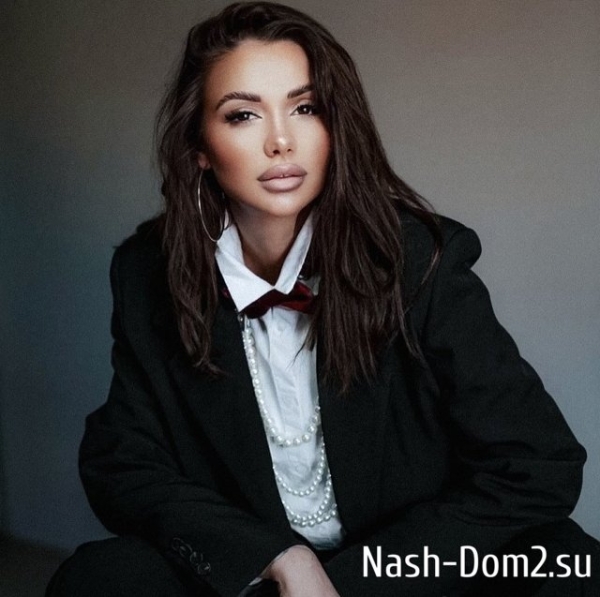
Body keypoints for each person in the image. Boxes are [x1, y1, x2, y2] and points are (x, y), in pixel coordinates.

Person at [47, 2, 599, 596]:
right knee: (102, 578)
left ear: (336, 127)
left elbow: (538, 463)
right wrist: (276, 558)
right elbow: (122, 464)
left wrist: (350, 583)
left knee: (570, 563)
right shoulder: (148, 272)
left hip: (408, 567)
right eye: (242, 115)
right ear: (200, 145)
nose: (281, 141)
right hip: (258, 574)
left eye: (305, 108)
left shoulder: (418, 262)